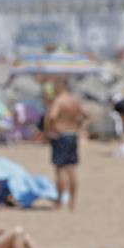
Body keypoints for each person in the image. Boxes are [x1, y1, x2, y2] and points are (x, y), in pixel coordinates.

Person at [45, 77, 87, 211]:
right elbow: (86, 116)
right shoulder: (74, 101)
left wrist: (49, 130)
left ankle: (59, 202)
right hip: (73, 134)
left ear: (59, 87)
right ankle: (72, 203)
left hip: (60, 135)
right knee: (72, 169)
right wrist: (80, 128)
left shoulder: (58, 101)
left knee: (60, 170)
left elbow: (52, 117)